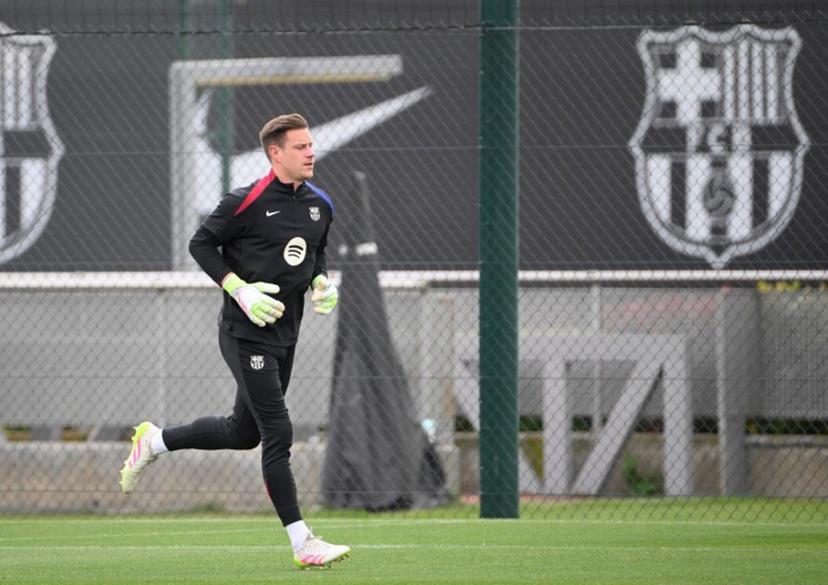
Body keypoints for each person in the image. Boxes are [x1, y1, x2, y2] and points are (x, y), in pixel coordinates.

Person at [118, 113, 349, 570]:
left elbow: (316, 250)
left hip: (287, 333)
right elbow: (201, 244)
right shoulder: (245, 201)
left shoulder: (320, 204)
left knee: (243, 432)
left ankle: (155, 441)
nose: (310, 153)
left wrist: (322, 281)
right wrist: (236, 288)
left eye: (311, 145)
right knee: (277, 433)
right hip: (245, 335)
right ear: (275, 153)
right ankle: (303, 543)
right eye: (300, 147)